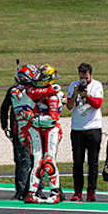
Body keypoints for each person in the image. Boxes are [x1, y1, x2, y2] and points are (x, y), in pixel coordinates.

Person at [24, 64, 66, 204]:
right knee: (37, 161)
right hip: (39, 129)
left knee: (49, 160)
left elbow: (52, 119)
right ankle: (31, 192)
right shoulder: (45, 91)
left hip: (51, 130)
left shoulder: (54, 95)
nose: (37, 78)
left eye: (41, 76)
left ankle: (55, 192)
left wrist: (32, 118)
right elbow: (31, 93)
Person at [66, 62, 104, 202]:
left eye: (86, 78)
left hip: (93, 127)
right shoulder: (73, 85)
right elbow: (69, 106)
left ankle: (91, 191)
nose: (84, 81)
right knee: (77, 162)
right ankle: (77, 191)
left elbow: (97, 104)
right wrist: (76, 93)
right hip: (77, 128)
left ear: (91, 75)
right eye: (82, 78)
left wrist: (86, 96)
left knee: (93, 162)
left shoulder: (97, 85)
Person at [0, 64, 36, 200]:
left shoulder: (31, 90)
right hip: (23, 131)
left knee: (26, 161)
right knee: (25, 161)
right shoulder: (15, 91)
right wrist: (4, 125)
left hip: (30, 130)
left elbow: (3, 109)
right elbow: (4, 108)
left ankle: (27, 190)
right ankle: (24, 190)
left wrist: (4, 126)